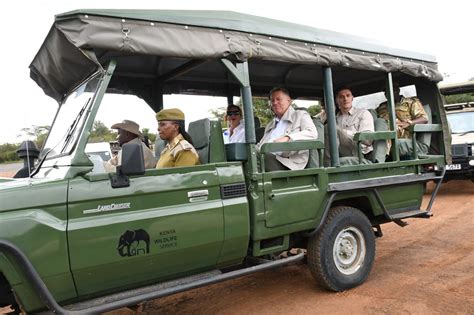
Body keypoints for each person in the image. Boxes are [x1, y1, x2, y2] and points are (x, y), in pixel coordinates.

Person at [257, 87, 318, 171]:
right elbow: (260, 145)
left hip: (287, 163)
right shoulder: (270, 124)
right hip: (267, 157)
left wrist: (288, 137)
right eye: (272, 100)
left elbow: (312, 133)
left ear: (289, 101)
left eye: (278, 99)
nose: (274, 103)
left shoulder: (300, 115)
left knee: (258, 155)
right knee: (249, 153)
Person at [377, 83, 428, 157]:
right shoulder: (382, 106)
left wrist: (410, 123)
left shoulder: (411, 102)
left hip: (402, 131)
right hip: (382, 130)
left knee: (389, 128)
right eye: (385, 92)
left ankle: (383, 155)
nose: (387, 94)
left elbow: (424, 118)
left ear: (398, 90)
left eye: (391, 90)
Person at [334, 87, 375, 158]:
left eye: (348, 95)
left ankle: (328, 164)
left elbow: (368, 139)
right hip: (339, 151)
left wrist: (343, 132)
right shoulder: (335, 118)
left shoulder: (363, 113)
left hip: (359, 152)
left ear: (352, 98)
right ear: (337, 100)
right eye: (341, 97)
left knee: (333, 128)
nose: (345, 99)